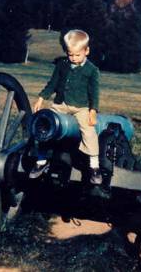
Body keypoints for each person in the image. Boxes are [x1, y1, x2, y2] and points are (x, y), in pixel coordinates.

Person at [33, 29, 102, 185]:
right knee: (45, 126)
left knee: (89, 131)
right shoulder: (62, 65)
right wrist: (42, 97)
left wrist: (93, 111)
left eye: (77, 55)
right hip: (61, 104)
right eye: (70, 54)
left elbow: (94, 92)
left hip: (81, 107)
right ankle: (41, 160)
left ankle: (94, 166)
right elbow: (53, 83)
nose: (73, 58)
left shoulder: (92, 70)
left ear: (87, 51)